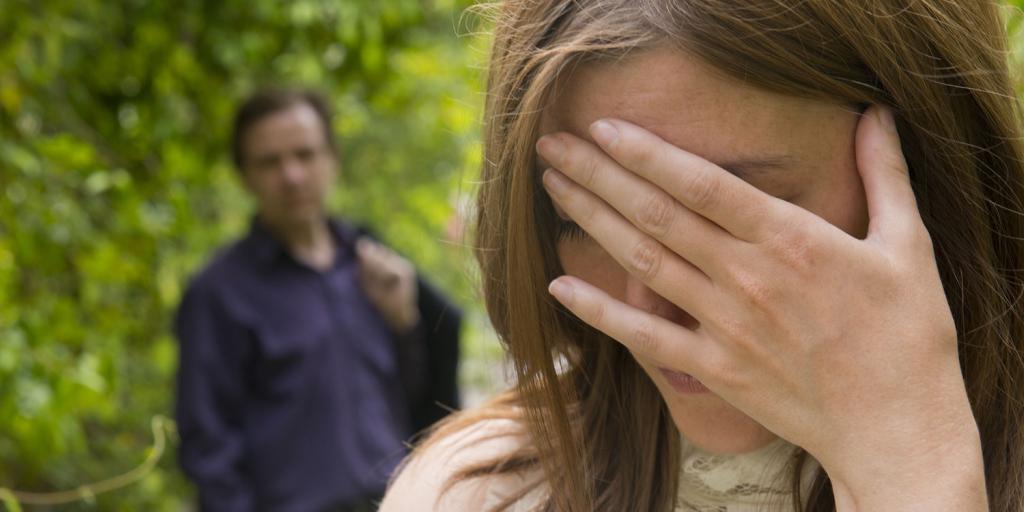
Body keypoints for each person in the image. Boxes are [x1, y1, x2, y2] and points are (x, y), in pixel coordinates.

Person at [380, 1, 1024, 511]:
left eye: (725, 218)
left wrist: (913, 465)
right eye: (590, 221)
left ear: (930, 172)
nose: (652, 302)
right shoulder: (474, 495)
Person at [174, 88, 462, 512]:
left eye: (305, 155)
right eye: (270, 162)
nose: (292, 176)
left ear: (331, 159)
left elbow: (415, 400)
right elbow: (209, 448)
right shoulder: (220, 294)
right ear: (244, 175)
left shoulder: (372, 265)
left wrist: (404, 326)